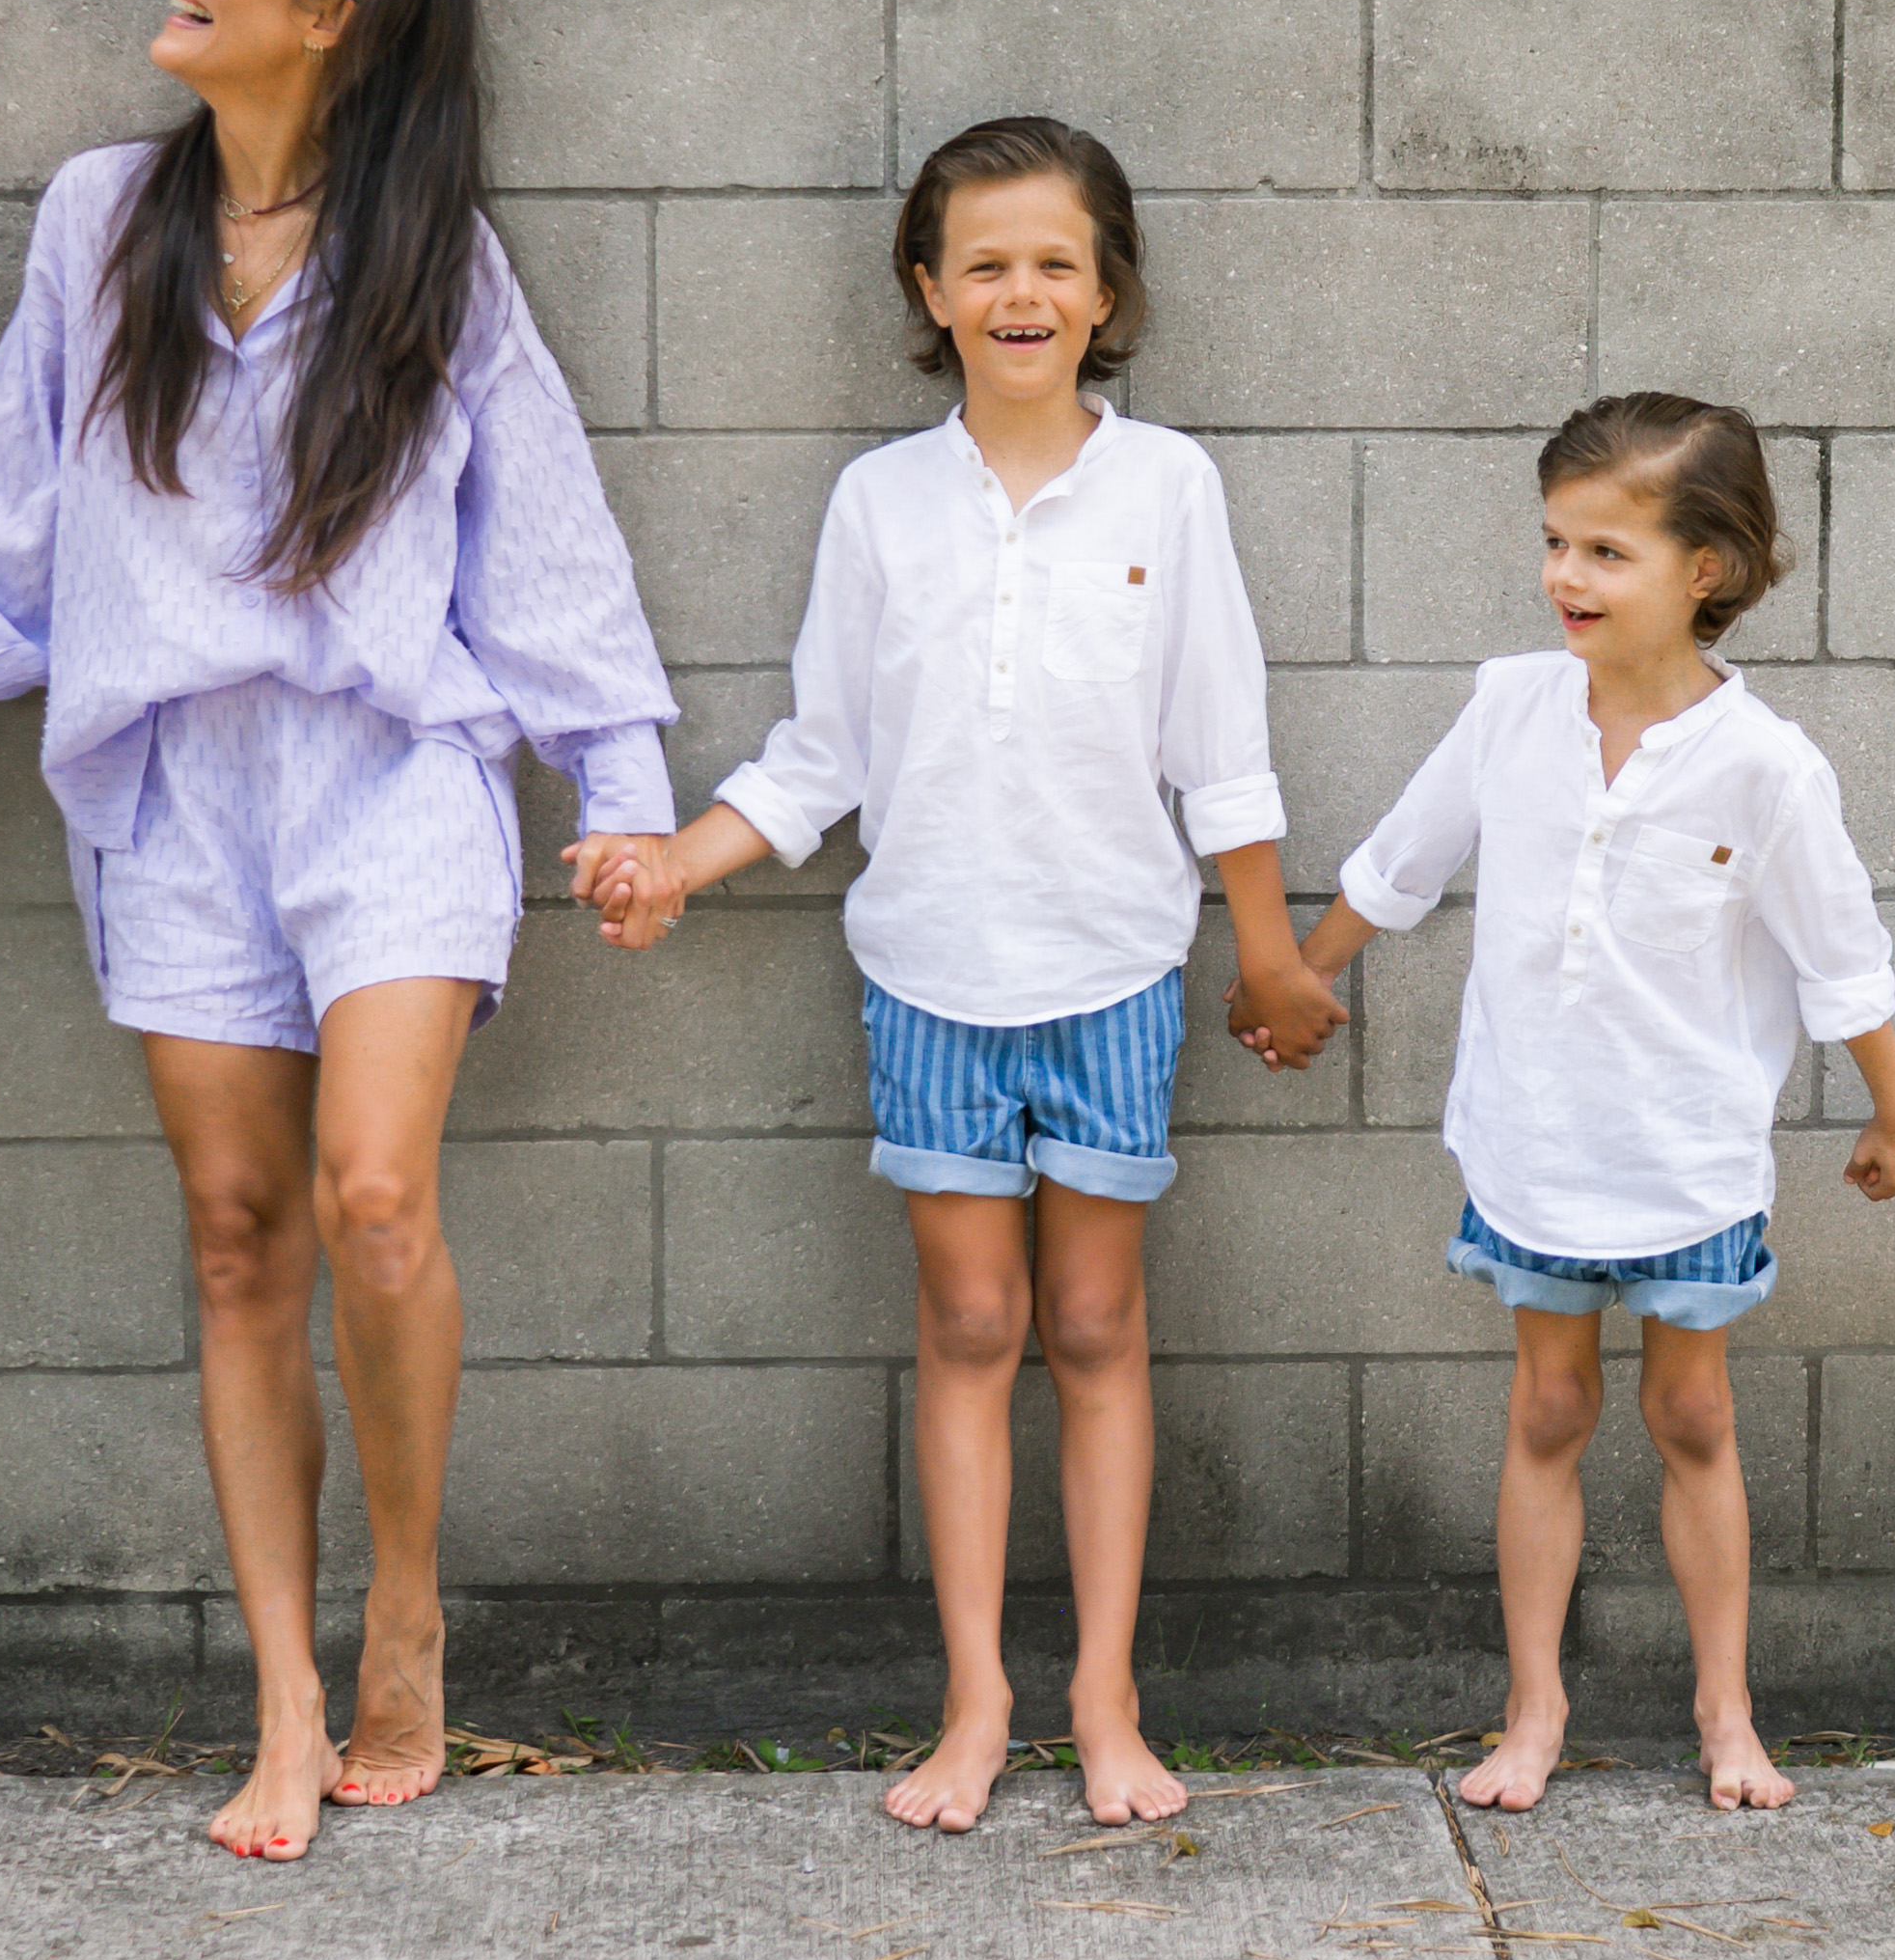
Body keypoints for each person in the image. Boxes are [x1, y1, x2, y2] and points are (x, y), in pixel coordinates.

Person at [0, 0, 672, 1863]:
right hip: (174, 793)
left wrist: (625, 788)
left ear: (334, 12)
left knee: (373, 1198)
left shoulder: (436, 261)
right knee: (237, 1238)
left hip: (392, 782)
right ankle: (283, 1694)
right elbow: (12, 489)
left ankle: (403, 1600)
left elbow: (540, 540)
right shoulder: (100, 218)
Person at [574, 119, 1341, 1834]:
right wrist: (675, 862)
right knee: (974, 1322)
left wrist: (1272, 949)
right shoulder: (879, 501)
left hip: (1114, 970)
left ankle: (1106, 1699)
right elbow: (816, 750)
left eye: (1054, 261)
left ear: (1105, 290)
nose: (1020, 291)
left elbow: (1221, 746)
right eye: (983, 261)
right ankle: (979, 1702)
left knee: (1090, 1321)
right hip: (925, 971)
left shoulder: (1168, 488)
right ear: (928, 289)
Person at [1276, 396, 1895, 1814]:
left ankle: (1724, 1713)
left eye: (1606, 552)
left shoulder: (1764, 766)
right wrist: (1302, 974)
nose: (1565, 577)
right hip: (1531, 1143)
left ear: (1707, 568)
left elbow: (1841, 954)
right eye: (1555, 543)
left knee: (1692, 1418)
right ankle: (1533, 1712)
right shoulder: (1511, 703)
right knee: (1549, 1407)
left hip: (1686, 1159)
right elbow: (1405, 858)